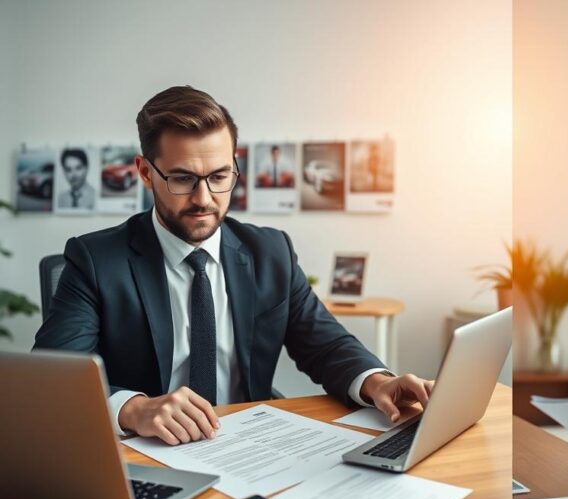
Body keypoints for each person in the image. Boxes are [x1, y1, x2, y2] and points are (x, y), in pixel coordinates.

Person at [35, 86, 432, 446]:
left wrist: (378, 382)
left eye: (219, 176)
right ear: (145, 173)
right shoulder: (95, 260)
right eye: (182, 179)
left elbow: (326, 344)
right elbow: (55, 378)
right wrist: (134, 409)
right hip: (146, 453)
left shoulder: (271, 252)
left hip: (249, 446)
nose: (204, 198)